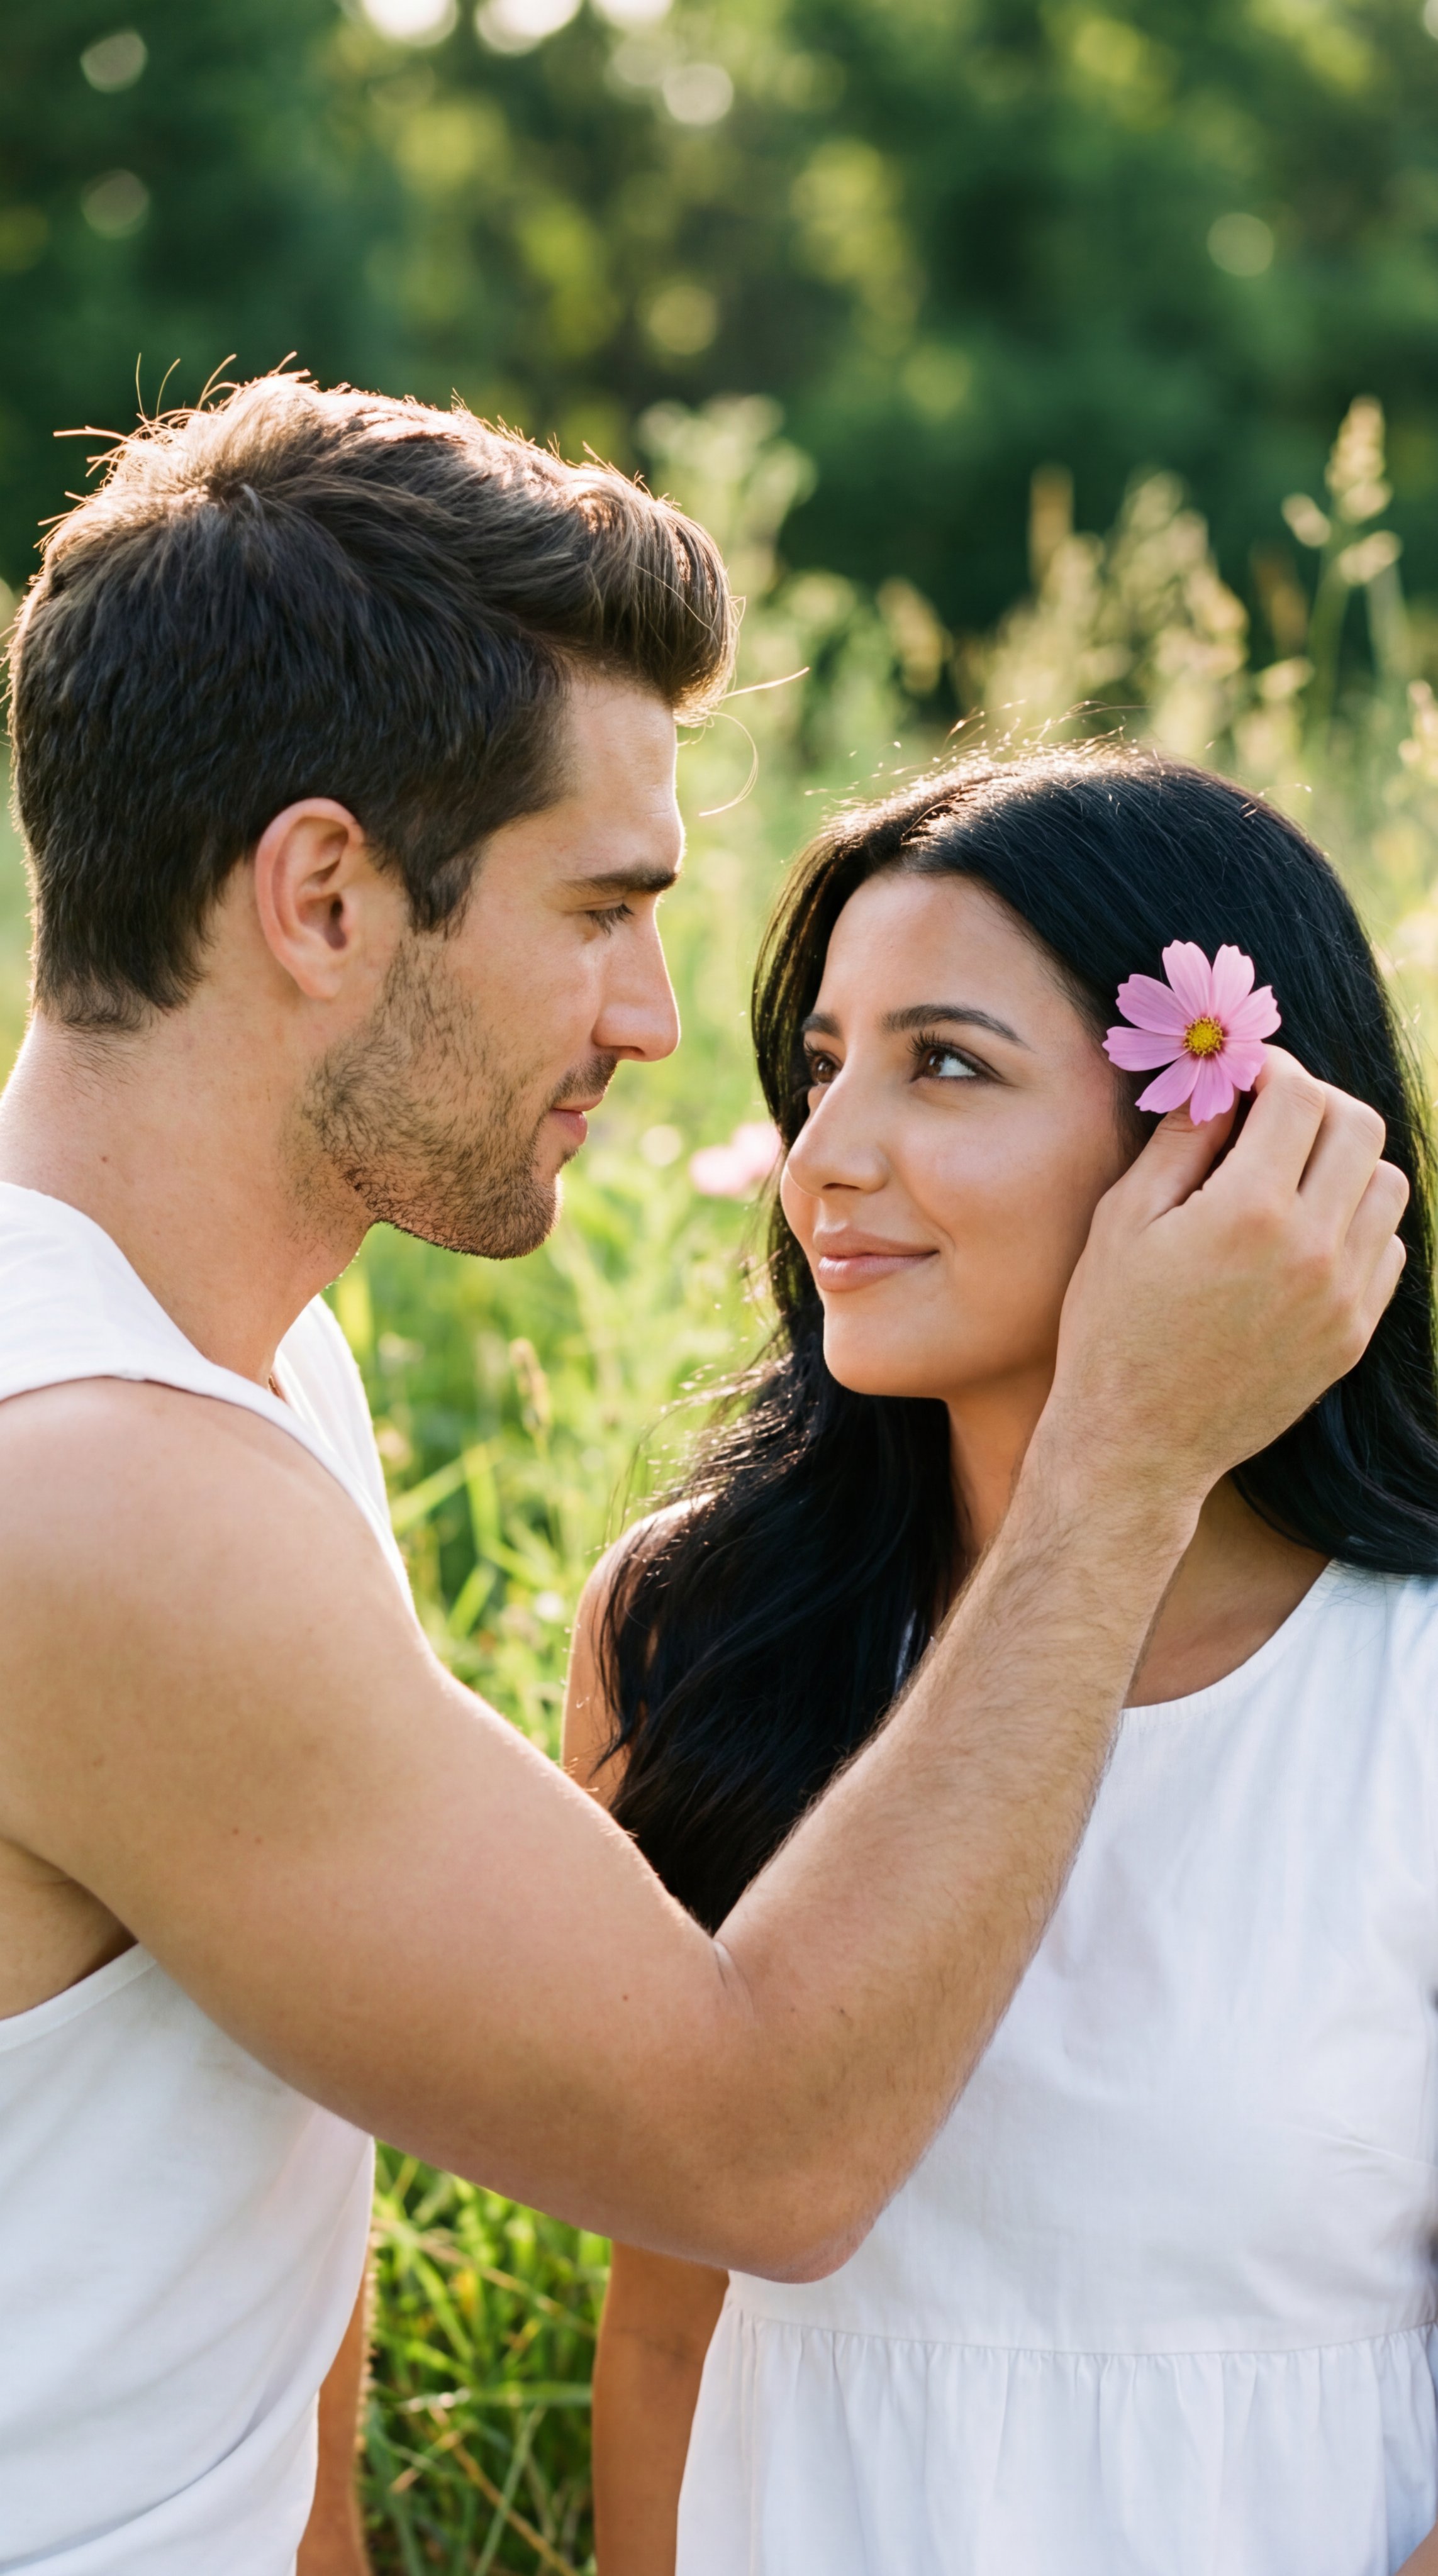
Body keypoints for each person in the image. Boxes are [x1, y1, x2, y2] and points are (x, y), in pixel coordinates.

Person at [0, 377, 1402, 2575]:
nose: (661, 1020)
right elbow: (761, 2158)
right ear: (324, 898)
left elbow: (246, 2257)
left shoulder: (242, 1372)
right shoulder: (88, 1492)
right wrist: (1129, 1450)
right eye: (598, 905)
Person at [567, 748, 1438, 2576]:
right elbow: (664, 2330)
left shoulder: (1407, 1690)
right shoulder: (694, 1631)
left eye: (944, 1065)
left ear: (1220, 1137)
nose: (828, 1159)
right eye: (822, 1068)